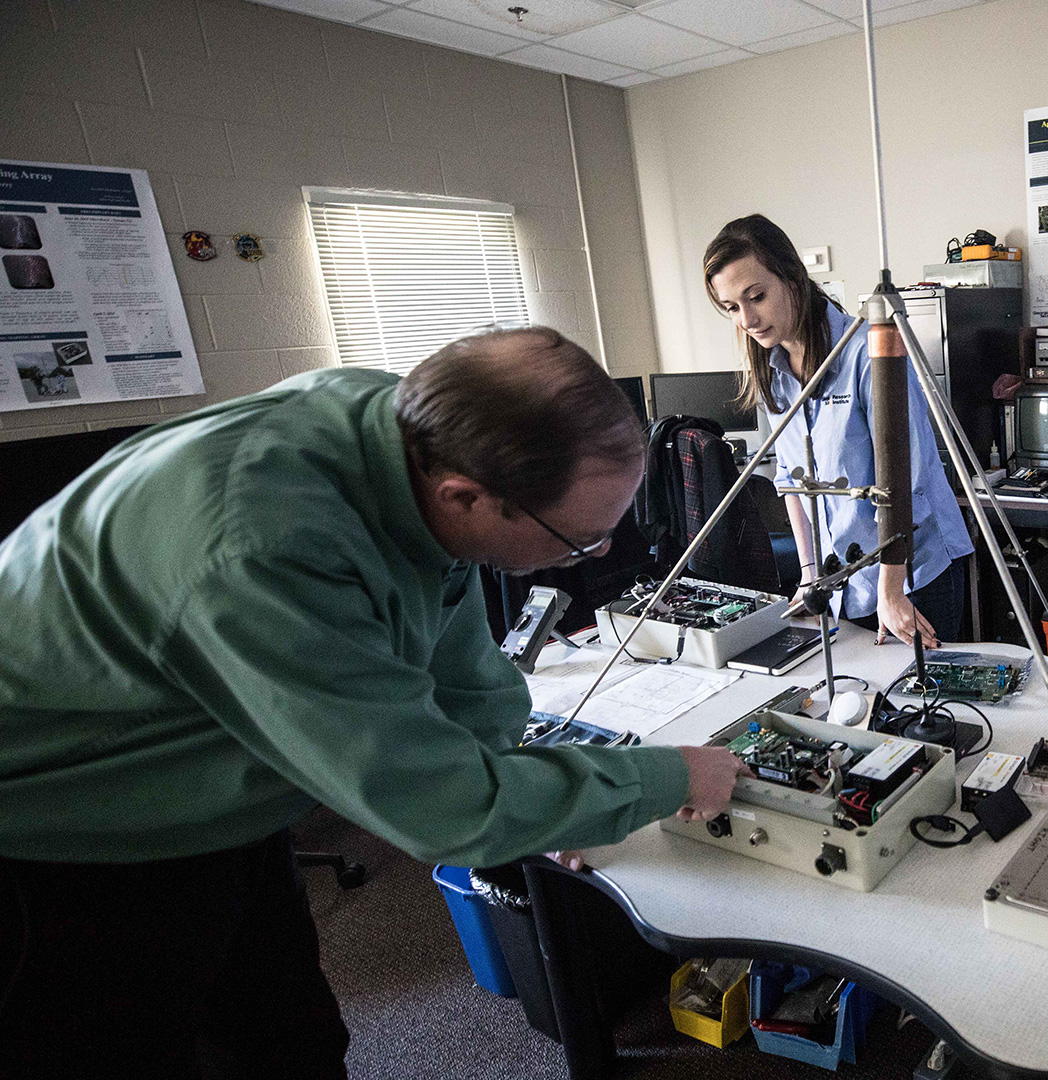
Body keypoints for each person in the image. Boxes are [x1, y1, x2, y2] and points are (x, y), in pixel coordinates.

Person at [0, 327, 746, 1079]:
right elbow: (443, 807)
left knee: (289, 1044)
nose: (595, 557)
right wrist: (666, 778)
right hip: (62, 830)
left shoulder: (407, 438)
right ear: (466, 495)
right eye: (581, 542)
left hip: (220, 799)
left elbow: (464, 671)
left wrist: (541, 797)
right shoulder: (263, 547)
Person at [703, 215, 973, 647]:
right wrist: (810, 576)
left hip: (912, 574)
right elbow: (791, 480)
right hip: (844, 584)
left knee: (920, 702)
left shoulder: (869, 352)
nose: (747, 320)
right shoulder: (772, 371)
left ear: (793, 277)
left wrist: (890, 588)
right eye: (732, 308)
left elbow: (908, 483)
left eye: (756, 296)